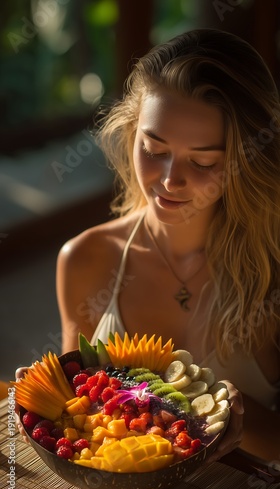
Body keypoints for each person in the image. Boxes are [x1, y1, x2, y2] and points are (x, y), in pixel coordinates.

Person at [21, 29, 280, 463]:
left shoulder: (271, 268)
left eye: (202, 162)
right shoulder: (85, 260)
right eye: (153, 148)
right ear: (131, 133)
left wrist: (224, 415)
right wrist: (44, 401)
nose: (168, 180)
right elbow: (74, 418)